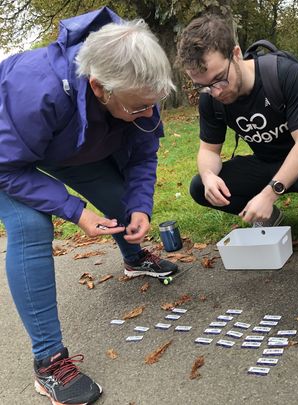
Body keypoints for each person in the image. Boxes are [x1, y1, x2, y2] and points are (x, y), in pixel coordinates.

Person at [0, 7, 177, 404]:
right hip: (7, 155)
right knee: (31, 227)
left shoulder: (139, 86)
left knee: (122, 201)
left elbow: (143, 153)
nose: (149, 114)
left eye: (154, 103)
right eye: (137, 108)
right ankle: (48, 362)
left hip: (71, 142)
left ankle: (135, 258)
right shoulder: (36, 89)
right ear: (99, 87)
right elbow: (7, 169)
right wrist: (76, 211)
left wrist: (141, 208)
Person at [177, 15, 298, 250]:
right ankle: (268, 216)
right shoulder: (210, 97)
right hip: (265, 162)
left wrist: (269, 194)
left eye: (219, 80)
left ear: (236, 54)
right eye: (203, 86)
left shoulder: (284, 73)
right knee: (199, 187)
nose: (215, 92)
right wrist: (208, 176)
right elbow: (208, 150)